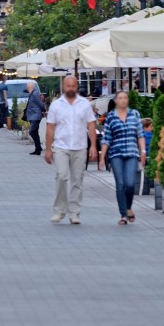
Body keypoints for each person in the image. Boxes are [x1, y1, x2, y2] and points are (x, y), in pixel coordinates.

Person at [44, 76, 97, 224]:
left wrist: (93, 146)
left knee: (77, 180)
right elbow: (50, 127)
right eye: (68, 86)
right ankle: (60, 210)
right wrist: (48, 149)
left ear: (77, 87)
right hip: (61, 146)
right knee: (61, 176)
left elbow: (91, 125)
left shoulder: (85, 104)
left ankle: (74, 213)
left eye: (73, 86)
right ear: (63, 87)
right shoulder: (56, 105)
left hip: (80, 146)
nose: (71, 88)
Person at [99, 91, 145, 226]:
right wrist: (102, 158)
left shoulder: (134, 114)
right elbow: (106, 139)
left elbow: (140, 134)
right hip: (116, 154)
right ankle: (123, 214)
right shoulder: (111, 117)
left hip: (131, 153)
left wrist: (143, 151)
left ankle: (128, 206)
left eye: (125, 98)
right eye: (120, 98)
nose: (123, 100)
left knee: (130, 184)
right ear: (116, 101)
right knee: (120, 184)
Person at [23, 81, 45, 155]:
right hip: (32, 116)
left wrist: (44, 110)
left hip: (36, 116)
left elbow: (40, 104)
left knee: (32, 131)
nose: (26, 87)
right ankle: (38, 149)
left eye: (27, 86)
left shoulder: (35, 94)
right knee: (35, 132)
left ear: (30, 86)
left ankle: (38, 148)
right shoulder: (32, 93)